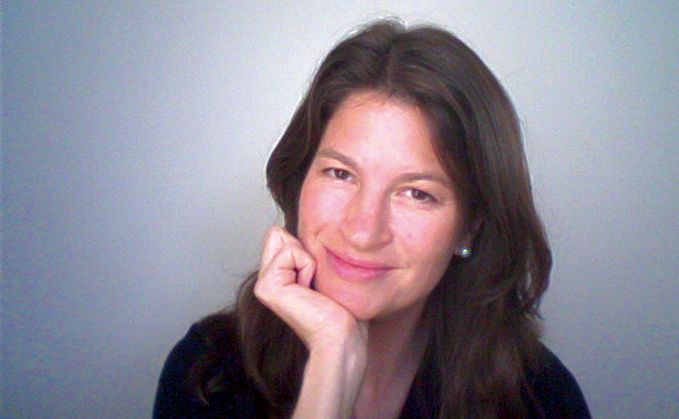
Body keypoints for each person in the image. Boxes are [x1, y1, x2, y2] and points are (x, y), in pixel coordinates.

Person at [153, 19, 591, 419]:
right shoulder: (208, 374)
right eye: (340, 174)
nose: (363, 231)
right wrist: (332, 363)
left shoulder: (541, 401)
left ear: (470, 227)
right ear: (300, 179)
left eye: (417, 193)